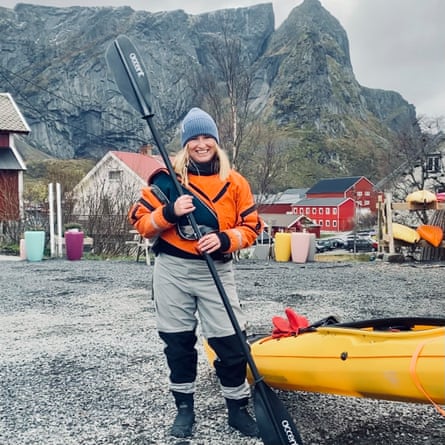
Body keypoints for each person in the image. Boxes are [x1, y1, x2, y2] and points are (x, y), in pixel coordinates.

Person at [128, 107, 264, 439]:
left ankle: (237, 409)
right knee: (178, 342)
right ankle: (184, 410)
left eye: (207, 138)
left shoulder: (235, 182)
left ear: (216, 142)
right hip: (172, 270)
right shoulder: (168, 182)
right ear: (185, 144)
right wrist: (169, 212)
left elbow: (252, 227)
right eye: (194, 139)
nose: (201, 144)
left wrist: (223, 238)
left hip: (215, 270)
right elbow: (141, 223)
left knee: (231, 343)